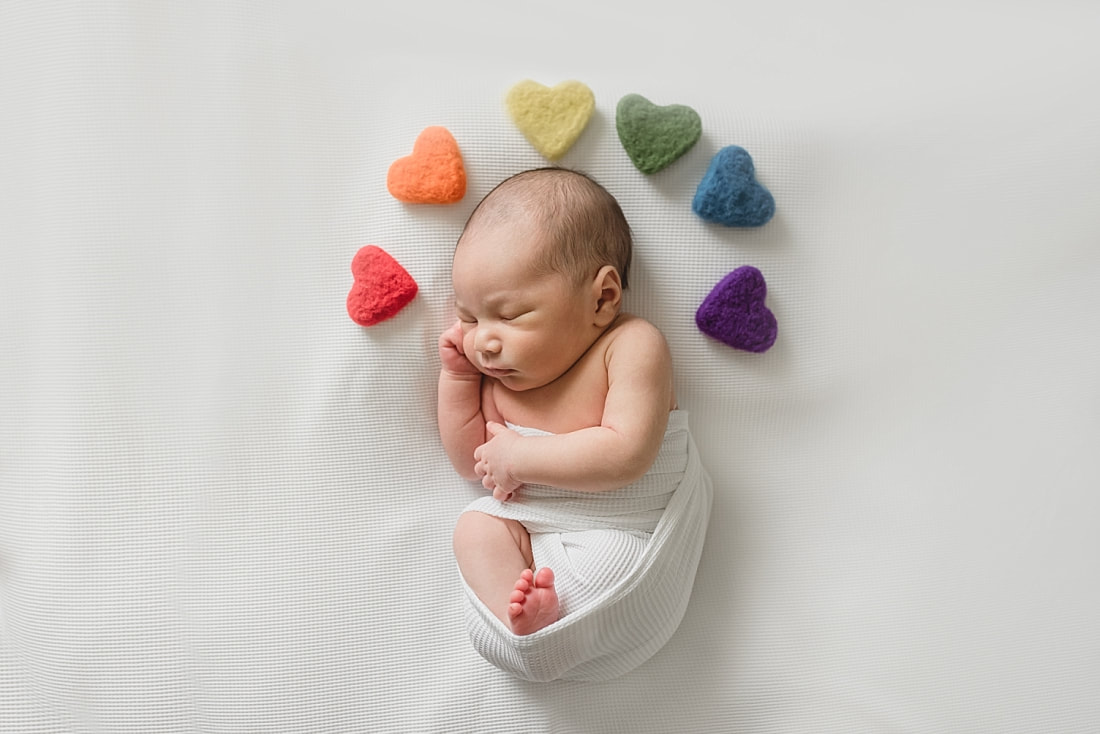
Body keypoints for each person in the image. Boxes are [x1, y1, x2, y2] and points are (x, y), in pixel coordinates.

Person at [438, 167, 680, 637]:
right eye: (468, 318)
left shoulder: (630, 346)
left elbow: (626, 454)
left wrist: (521, 457)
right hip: (535, 540)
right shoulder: (499, 381)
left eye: (509, 315)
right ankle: (528, 620)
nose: (483, 342)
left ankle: (558, 617)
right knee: (474, 529)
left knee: (614, 563)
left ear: (601, 299)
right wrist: (457, 378)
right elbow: (472, 463)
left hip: (621, 532)